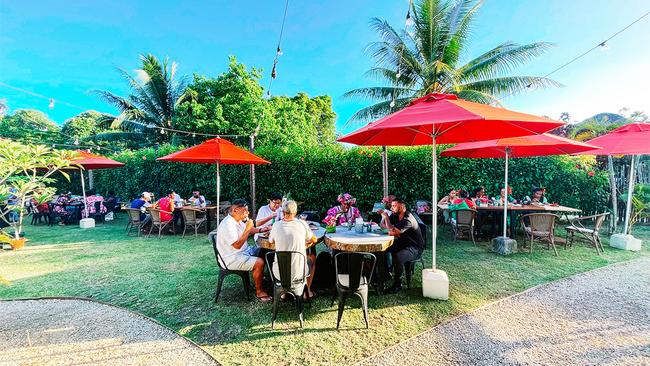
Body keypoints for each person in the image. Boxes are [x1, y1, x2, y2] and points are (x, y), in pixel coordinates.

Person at [210, 199, 272, 302]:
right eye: (245, 211)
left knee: (263, 251)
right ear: (235, 210)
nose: (248, 213)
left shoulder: (237, 219)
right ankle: (259, 291)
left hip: (243, 251)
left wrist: (261, 230)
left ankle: (263, 278)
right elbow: (237, 245)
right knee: (259, 263)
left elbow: (249, 230)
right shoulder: (228, 224)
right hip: (232, 258)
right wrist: (248, 228)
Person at [268, 200, 318, 298]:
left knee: (281, 258)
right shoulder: (302, 224)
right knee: (312, 257)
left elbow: (271, 241)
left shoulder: (276, 225)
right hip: (299, 273)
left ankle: (284, 293)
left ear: (283, 212)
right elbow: (314, 239)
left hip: (279, 274)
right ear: (295, 212)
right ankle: (306, 292)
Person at [380, 198, 425, 294]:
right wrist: (385, 218)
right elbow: (383, 226)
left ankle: (397, 285)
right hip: (403, 242)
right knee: (382, 248)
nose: (391, 208)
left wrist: (387, 218)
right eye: (391, 206)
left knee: (398, 256)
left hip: (415, 247)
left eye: (394, 206)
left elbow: (391, 231)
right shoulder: (395, 215)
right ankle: (386, 274)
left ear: (402, 206)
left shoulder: (407, 219)